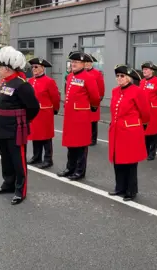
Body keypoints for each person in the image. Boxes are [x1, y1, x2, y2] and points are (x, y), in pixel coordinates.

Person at [0, 46, 40, 205]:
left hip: (15, 127)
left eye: (1, 67)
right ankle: (8, 183)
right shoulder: (6, 82)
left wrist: (23, 121)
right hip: (2, 126)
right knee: (6, 158)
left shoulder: (21, 84)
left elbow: (33, 107)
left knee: (18, 160)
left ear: (7, 69)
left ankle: (20, 189)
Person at [107, 64, 150, 201]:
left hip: (130, 131)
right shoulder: (115, 91)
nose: (119, 78)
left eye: (122, 76)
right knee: (117, 160)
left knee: (130, 162)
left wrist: (140, 125)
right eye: (118, 76)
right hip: (117, 131)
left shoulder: (137, 91)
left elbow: (145, 112)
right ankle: (119, 187)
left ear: (129, 78)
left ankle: (131, 191)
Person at [56, 51, 100, 181]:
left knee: (81, 145)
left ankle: (79, 171)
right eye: (72, 62)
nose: (73, 64)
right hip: (70, 116)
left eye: (76, 62)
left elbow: (95, 97)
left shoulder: (88, 77)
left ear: (83, 64)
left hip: (81, 116)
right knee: (71, 144)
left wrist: (92, 107)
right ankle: (70, 168)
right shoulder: (70, 76)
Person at [27, 57, 60, 169]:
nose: (34, 69)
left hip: (45, 112)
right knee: (35, 135)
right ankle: (36, 157)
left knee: (46, 136)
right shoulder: (30, 81)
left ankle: (48, 159)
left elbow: (55, 97)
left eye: (36, 67)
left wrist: (55, 109)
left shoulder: (49, 81)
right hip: (34, 113)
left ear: (42, 68)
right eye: (32, 67)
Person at [139, 61, 157, 160]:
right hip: (143, 111)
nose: (144, 71)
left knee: (154, 132)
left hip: (153, 111)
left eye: (146, 69)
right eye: (143, 69)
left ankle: (152, 152)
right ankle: (145, 151)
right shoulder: (142, 82)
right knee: (145, 131)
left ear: (151, 71)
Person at [85, 54, 105, 146]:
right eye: (86, 62)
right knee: (85, 121)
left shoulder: (97, 73)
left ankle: (93, 139)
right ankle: (85, 137)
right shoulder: (82, 73)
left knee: (93, 121)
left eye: (89, 62)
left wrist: (98, 99)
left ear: (92, 63)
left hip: (93, 101)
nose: (87, 64)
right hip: (84, 101)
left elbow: (101, 87)